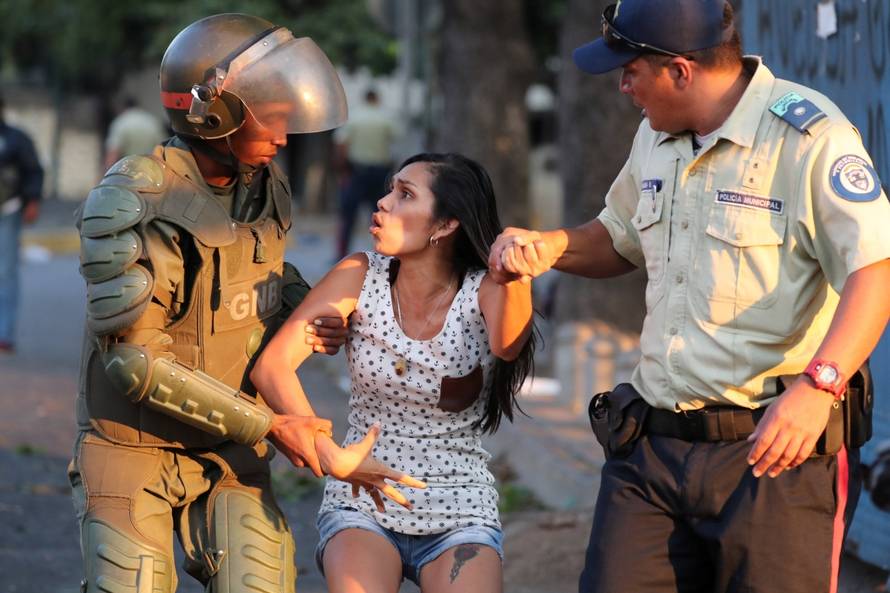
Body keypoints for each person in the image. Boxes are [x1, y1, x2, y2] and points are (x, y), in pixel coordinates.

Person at [488, 1, 890, 592]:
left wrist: (818, 387)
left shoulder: (809, 138)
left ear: (680, 70)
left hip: (772, 456)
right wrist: (553, 245)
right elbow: (619, 237)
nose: (623, 86)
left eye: (630, 70)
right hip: (651, 450)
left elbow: (875, 271)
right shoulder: (656, 135)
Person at [68, 14, 418, 593]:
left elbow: (264, 275)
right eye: (272, 120)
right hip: (133, 446)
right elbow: (132, 364)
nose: (283, 136)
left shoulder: (264, 184)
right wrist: (273, 424)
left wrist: (312, 311)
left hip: (231, 449)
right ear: (214, 113)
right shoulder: (132, 201)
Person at [251, 152, 536, 593]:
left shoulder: (486, 288)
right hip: (363, 502)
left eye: (405, 195)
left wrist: (517, 275)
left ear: (444, 225)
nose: (382, 203)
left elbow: (508, 344)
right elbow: (273, 368)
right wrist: (330, 453)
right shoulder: (359, 274)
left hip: (459, 505)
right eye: (389, 189)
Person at [0, 94, 44, 354]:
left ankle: (4, 333)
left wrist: (33, 201)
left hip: (8, 210)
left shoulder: (16, 139)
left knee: (5, 272)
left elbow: (34, 171)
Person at [333, 88, 398, 259]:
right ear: (377, 99)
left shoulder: (354, 117)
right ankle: (383, 253)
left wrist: (343, 168)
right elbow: (396, 141)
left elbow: (341, 143)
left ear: (364, 98)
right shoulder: (385, 118)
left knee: (347, 215)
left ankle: (341, 253)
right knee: (381, 215)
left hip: (357, 171)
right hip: (380, 171)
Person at [103, 96, 167, 169]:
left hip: (128, 171)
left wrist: (107, 174)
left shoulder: (121, 122)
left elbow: (113, 153)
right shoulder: (151, 120)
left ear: (123, 107)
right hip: (150, 171)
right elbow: (163, 149)